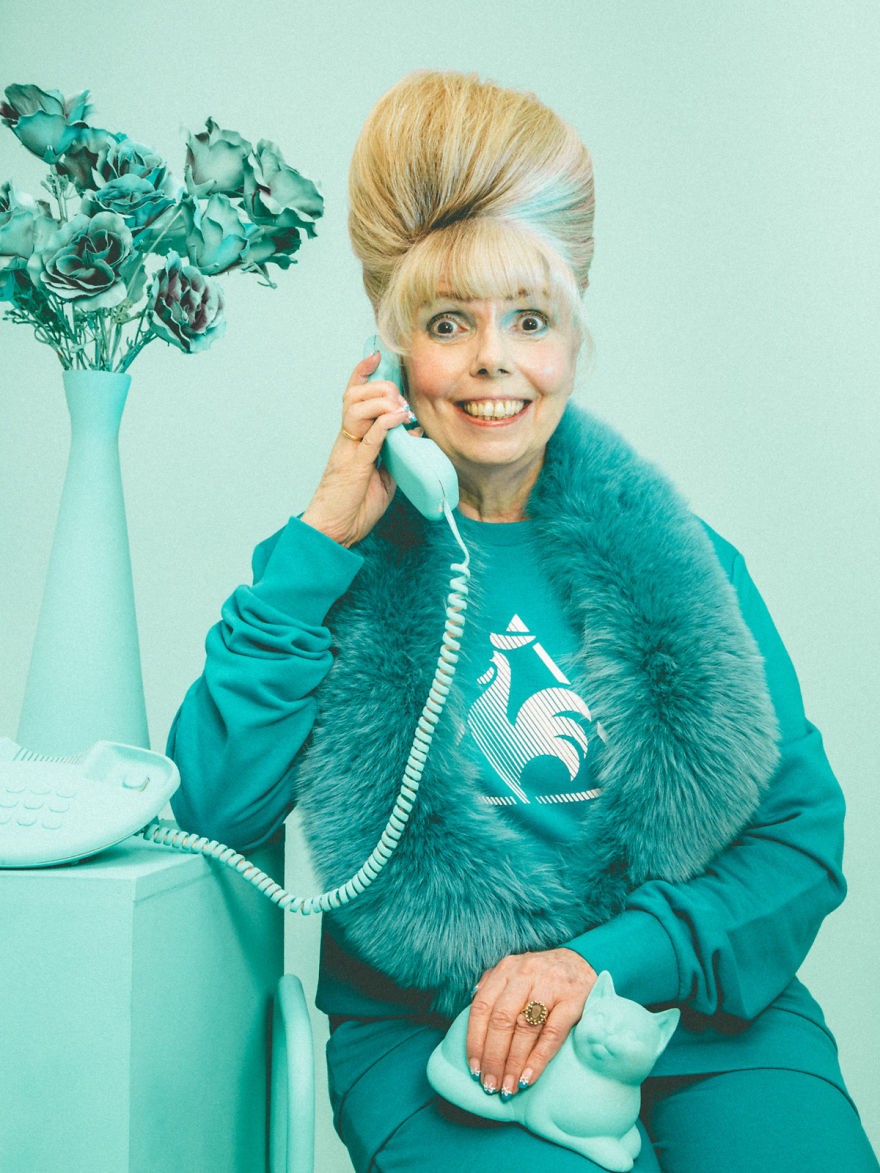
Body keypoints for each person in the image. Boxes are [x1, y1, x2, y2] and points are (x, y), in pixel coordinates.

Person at [167, 71, 878, 1171]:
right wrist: (322, 542)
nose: (493, 358)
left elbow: (798, 837)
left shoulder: (685, 561)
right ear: (393, 351)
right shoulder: (316, 571)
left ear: (571, 340)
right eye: (450, 322)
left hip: (688, 1016)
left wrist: (603, 962)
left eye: (530, 319)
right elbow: (211, 815)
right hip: (438, 1035)